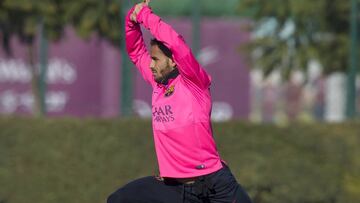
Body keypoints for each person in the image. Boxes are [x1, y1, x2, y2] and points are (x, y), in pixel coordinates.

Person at [107, 1, 252, 202]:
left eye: (156, 59)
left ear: (173, 60)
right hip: (175, 188)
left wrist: (145, 16)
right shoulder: (158, 84)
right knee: (119, 199)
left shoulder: (194, 83)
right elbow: (135, 52)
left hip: (214, 187)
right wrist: (131, 19)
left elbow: (176, 44)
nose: (151, 65)